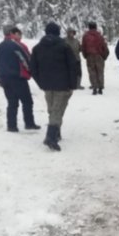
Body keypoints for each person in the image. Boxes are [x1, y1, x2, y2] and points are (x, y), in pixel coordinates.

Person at [30, 22, 77, 151]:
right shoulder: (64, 47)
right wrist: (73, 84)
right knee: (57, 110)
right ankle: (50, 137)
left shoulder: (37, 48)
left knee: (52, 109)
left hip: (47, 85)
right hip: (62, 85)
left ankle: (56, 133)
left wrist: (40, 82)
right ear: (58, 32)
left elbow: (32, 68)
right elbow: (73, 66)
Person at [0, 26, 41, 132]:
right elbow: (26, 60)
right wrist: (30, 72)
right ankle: (29, 123)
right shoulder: (17, 45)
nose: (21, 36)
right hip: (18, 77)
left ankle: (11, 126)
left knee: (12, 102)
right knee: (27, 101)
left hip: (4, 78)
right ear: (13, 33)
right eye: (19, 33)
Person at [81, 22, 109, 95]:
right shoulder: (99, 36)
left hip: (90, 56)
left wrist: (85, 56)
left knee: (92, 72)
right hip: (99, 56)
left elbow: (83, 47)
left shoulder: (85, 36)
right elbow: (104, 46)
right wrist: (104, 56)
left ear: (89, 27)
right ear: (96, 27)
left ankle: (94, 87)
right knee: (100, 72)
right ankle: (100, 87)